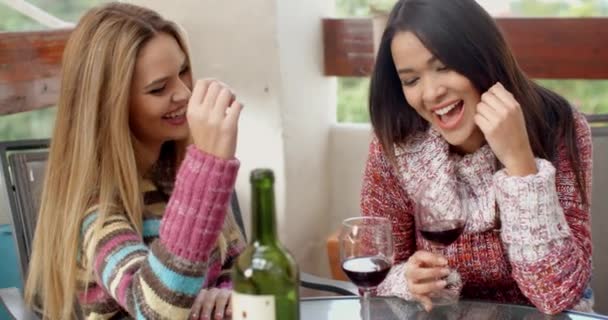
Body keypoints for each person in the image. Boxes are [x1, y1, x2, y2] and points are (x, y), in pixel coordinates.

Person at [361, 0, 593, 315]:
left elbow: (556, 294)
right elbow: (373, 278)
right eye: (411, 80)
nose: (431, 94)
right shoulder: (398, 141)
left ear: (482, 56)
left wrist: (520, 163)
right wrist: (407, 281)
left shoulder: (557, 124)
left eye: (443, 66)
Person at [24, 3, 245, 319]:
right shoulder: (93, 206)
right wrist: (208, 167)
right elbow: (155, 310)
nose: (184, 93)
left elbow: (241, 268)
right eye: (158, 88)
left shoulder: (179, 175)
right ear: (110, 106)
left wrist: (223, 295)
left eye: (183, 71)